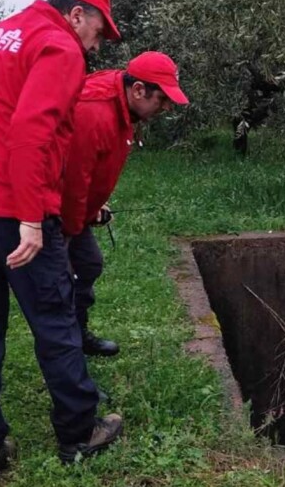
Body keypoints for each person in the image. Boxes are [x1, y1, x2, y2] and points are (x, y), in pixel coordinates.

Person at [0, 0, 124, 486]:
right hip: (12, 210)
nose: (98, 44)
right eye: (101, 32)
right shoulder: (58, 46)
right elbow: (32, 132)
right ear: (77, 14)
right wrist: (29, 217)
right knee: (54, 318)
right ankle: (78, 432)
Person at [61, 52, 189, 356]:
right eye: (162, 99)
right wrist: (66, 234)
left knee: (88, 264)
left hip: (75, 209)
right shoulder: (94, 113)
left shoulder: (122, 103)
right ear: (139, 90)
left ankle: (77, 336)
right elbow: (72, 181)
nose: (167, 107)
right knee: (61, 282)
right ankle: (66, 363)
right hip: (56, 209)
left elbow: (94, 168)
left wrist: (95, 207)